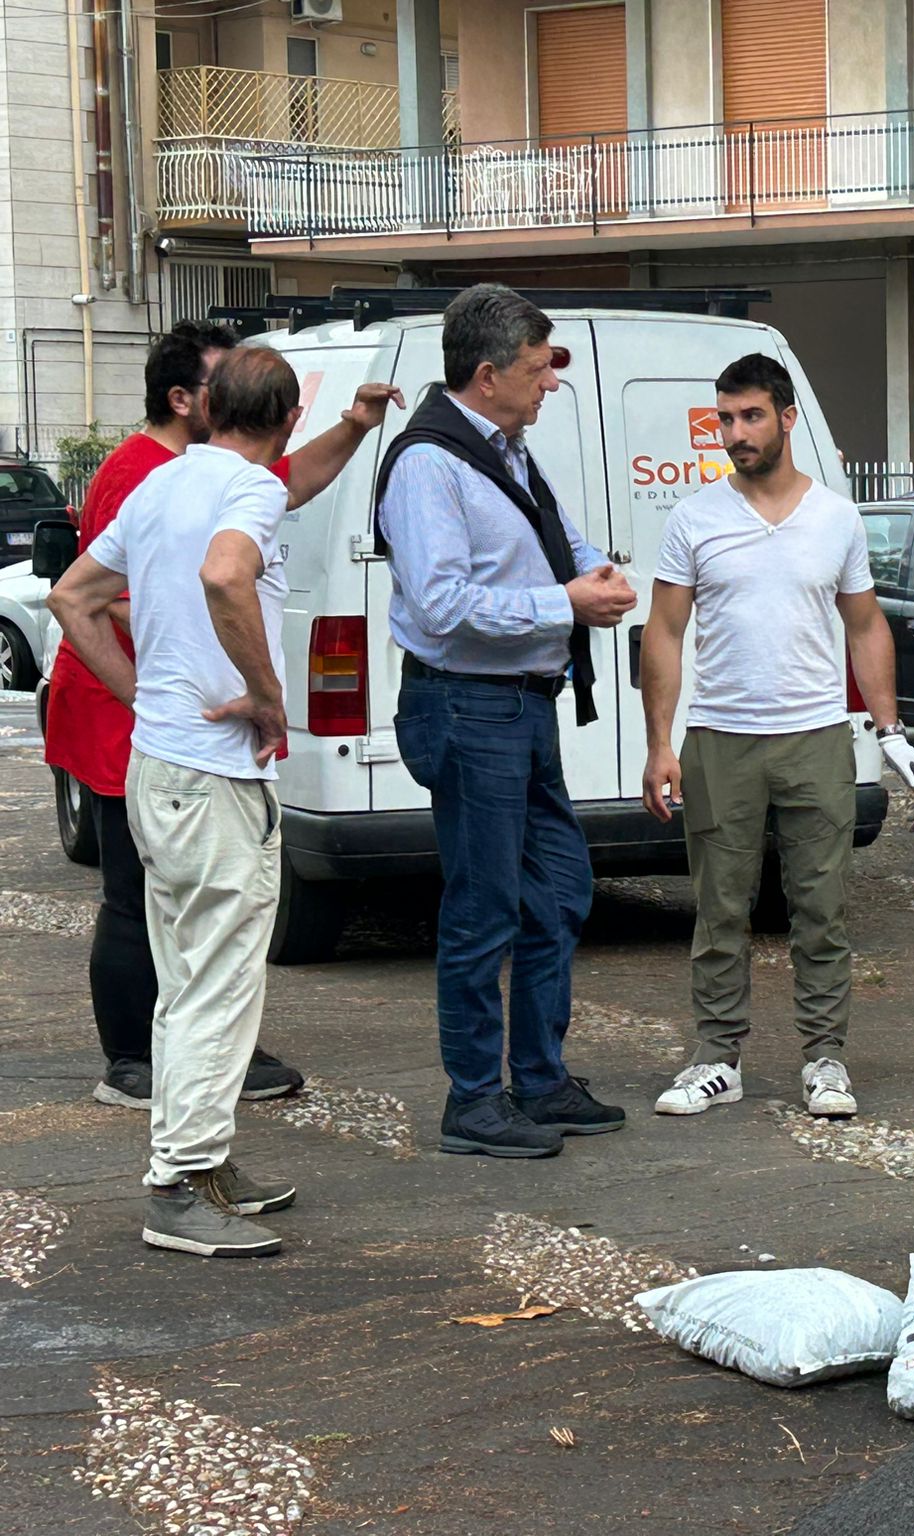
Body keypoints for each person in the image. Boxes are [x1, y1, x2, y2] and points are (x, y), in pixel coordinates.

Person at [44, 320, 402, 1113]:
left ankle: (182, 1084)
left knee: (182, 925)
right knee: (147, 908)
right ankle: (142, 1072)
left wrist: (352, 426)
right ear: (189, 400)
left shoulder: (196, 475)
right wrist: (248, 688)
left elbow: (288, 483)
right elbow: (182, 585)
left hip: (164, 726)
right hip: (159, 724)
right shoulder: (143, 474)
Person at [639, 353, 914, 1121]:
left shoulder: (836, 516)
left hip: (816, 738)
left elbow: (865, 624)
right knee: (719, 912)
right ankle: (718, 1059)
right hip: (721, 739)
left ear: (787, 419)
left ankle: (825, 1061)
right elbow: (664, 631)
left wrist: (890, 733)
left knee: (822, 911)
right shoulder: (695, 519)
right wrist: (660, 745)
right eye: (725, 418)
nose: (736, 433)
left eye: (751, 416)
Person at [50, 347, 313, 1256]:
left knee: (185, 973)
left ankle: (200, 1160)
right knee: (219, 979)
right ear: (286, 422)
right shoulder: (255, 490)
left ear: (207, 410)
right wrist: (267, 693)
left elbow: (73, 597)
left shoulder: (157, 486)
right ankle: (178, 1180)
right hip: (213, 775)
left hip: (160, 765)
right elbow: (226, 575)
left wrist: (138, 695)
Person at [374, 284, 636, 1160]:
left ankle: (539, 1077)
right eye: (535, 370)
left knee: (558, 892)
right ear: (486, 376)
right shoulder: (429, 464)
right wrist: (564, 602)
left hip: (521, 705)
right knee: (482, 908)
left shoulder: (507, 451)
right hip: (467, 704)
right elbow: (444, 605)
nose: (549, 385)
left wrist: (600, 575)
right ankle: (473, 1100)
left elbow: (559, 541)